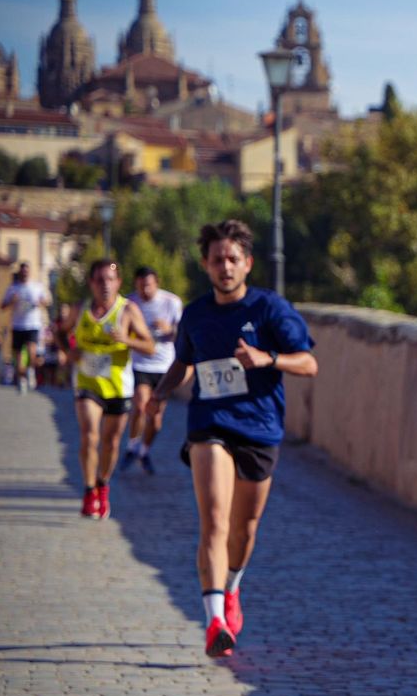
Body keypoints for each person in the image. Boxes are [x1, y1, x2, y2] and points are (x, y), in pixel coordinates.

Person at [149, 220, 316, 659]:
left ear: (248, 263)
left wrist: (268, 358)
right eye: (217, 259)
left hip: (259, 428)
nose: (225, 267)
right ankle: (215, 621)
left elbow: (308, 363)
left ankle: (233, 587)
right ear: (206, 265)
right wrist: (160, 394)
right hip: (210, 423)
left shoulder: (270, 309)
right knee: (215, 521)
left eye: (232, 259)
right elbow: (183, 363)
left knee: (245, 529)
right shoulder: (196, 314)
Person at [61, 259, 156, 519]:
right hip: (87, 383)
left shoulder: (128, 311)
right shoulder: (80, 309)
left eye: (110, 280)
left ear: (118, 283)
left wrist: (127, 340)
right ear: (91, 283)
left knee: (111, 442)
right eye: (100, 280)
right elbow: (60, 331)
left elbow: (150, 346)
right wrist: (69, 350)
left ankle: (103, 484)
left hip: (118, 387)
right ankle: (88, 489)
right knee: (89, 435)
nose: (105, 285)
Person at [126, 266, 183, 473]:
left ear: (157, 283)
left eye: (148, 285)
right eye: (141, 286)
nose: (145, 290)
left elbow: (183, 333)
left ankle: (144, 451)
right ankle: (132, 446)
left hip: (164, 365)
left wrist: (170, 329)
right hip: (140, 363)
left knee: (155, 419)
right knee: (140, 405)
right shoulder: (130, 303)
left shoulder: (171, 302)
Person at [3, 262, 53, 393]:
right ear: (20, 272)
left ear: (29, 272)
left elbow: (47, 301)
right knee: (19, 357)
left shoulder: (36, 287)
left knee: (32, 352)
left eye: (27, 271)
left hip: (32, 324)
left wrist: (42, 302)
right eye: (23, 271)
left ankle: (30, 371)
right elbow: (3, 305)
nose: (25, 273)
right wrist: (11, 301)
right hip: (18, 325)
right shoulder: (13, 288)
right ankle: (22, 378)